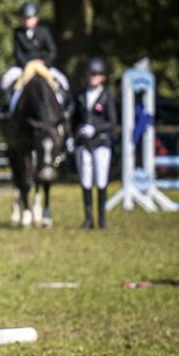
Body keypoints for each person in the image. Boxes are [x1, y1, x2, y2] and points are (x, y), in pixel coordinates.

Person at [0, 1, 70, 119]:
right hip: (23, 67)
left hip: (42, 66)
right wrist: (28, 64)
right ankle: (3, 108)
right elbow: (18, 53)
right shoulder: (18, 33)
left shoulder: (43, 32)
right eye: (24, 18)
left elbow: (52, 51)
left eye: (29, 18)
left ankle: (66, 108)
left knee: (62, 80)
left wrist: (43, 62)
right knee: (6, 79)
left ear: (36, 18)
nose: (27, 21)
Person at [70, 58, 117, 229]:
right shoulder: (81, 96)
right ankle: (88, 218)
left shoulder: (106, 97)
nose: (92, 78)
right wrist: (72, 136)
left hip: (101, 142)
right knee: (86, 180)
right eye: (90, 74)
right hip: (84, 143)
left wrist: (95, 128)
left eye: (96, 75)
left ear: (102, 77)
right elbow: (74, 120)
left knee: (101, 179)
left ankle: (102, 219)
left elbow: (112, 122)